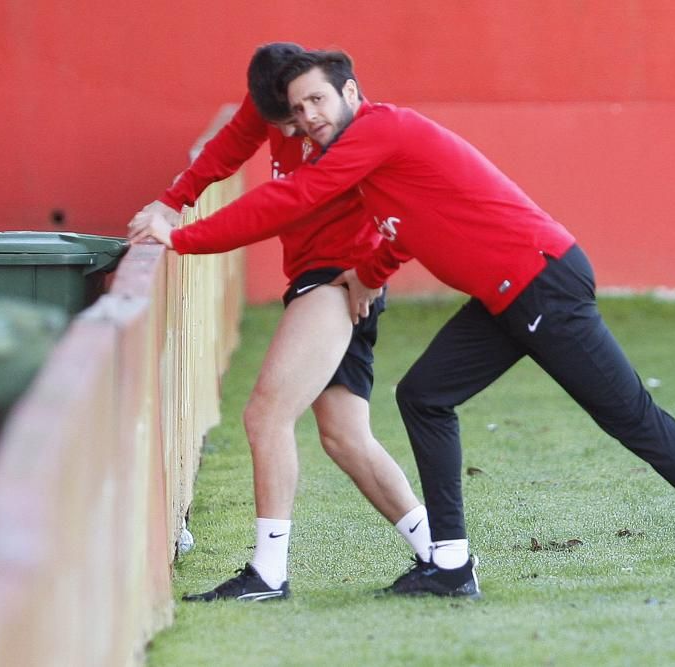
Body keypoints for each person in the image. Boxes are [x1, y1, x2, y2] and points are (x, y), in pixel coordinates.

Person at [130, 49, 675, 597]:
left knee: (633, 418)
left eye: (318, 102)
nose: (307, 117)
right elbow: (406, 227)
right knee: (423, 394)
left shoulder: (375, 132)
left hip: (542, 282)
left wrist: (178, 237)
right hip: (505, 296)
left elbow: (292, 197)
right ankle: (449, 564)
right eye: (298, 109)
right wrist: (368, 273)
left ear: (350, 93)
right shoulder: (371, 152)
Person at [128, 43, 432, 602]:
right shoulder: (273, 105)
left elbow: (279, 204)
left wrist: (181, 237)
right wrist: (173, 202)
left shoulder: (351, 129)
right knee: (346, 438)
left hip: (337, 280)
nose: (297, 130)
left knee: (266, 415)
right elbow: (226, 151)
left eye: (302, 115)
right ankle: (443, 557)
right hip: (322, 277)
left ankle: (268, 574)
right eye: (285, 119)